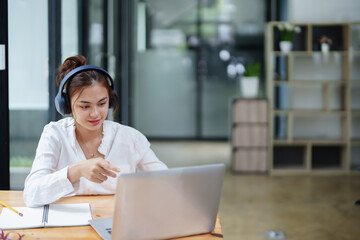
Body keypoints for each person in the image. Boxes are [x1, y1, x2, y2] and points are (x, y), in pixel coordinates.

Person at [23, 55, 167, 207]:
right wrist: (75, 171)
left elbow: (166, 183)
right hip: (67, 224)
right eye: (85, 106)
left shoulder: (131, 137)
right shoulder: (54, 134)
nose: (95, 114)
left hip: (114, 221)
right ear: (66, 105)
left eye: (102, 103)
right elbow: (31, 194)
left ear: (110, 101)